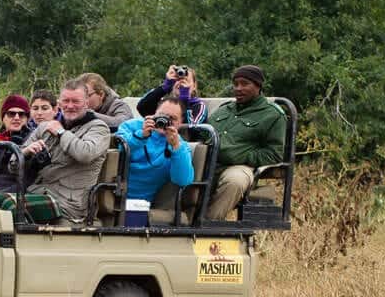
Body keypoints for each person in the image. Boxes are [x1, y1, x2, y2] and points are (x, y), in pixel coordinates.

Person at [0, 80, 111, 224]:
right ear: (60, 103)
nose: (70, 106)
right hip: (37, 192)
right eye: (66, 101)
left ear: (86, 103)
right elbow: (13, 167)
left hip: (68, 204)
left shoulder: (98, 128)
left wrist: (61, 133)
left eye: (76, 101)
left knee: (9, 205)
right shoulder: (45, 127)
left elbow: (85, 154)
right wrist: (26, 152)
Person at [205, 64, 288, 221]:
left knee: (235, 181)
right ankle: (178, 220)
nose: (238, 88)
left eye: (244, 84)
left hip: (240, 167)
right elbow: (204, 135)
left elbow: (274, 154)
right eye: (235, 84)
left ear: (258, 86)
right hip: (209, 162)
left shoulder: (272, 115)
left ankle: (209, 223)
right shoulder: (224, 109)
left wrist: (240, 156)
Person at [115, 97, 196, 206]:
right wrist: (141, 135)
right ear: (154, 113)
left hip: (138, 203)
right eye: (161, 115)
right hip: (109, 189)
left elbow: (183, 180)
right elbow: (119, 147)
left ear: (180, 123)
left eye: (172, 118)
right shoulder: (132, 126)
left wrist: (176, 148)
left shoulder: (180, 146)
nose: (164, 120)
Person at [136, 65, 205, 126]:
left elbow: (192, 128)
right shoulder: (164, 104)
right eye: (177, 79)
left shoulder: (199, 106)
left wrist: (184, 97)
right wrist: (164, 87)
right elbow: (142, 108)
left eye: (185, 80)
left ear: (194, 86)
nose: (180, 83)